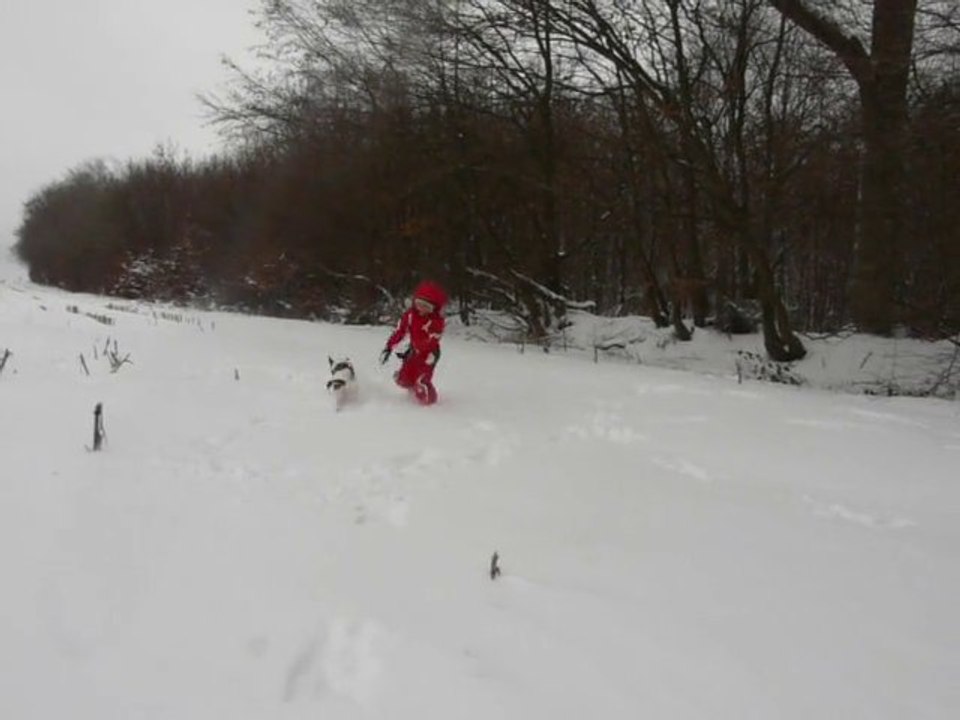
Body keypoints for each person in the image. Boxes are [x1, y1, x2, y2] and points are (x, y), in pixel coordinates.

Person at [380, 280, 448, 405]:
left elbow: (432, 341)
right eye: (419, 304)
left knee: (421, 381)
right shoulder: (410, 315)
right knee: (404, 379)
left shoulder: (436, 322)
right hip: (414, 351)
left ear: (433, 308)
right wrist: (389, 347)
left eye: (426, 307)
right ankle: (410, 386)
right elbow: (400, 331)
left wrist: (418, 351)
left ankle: (429, 405)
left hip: (429, 354)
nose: (421, 309)